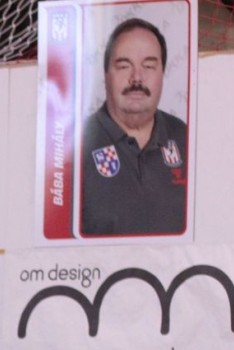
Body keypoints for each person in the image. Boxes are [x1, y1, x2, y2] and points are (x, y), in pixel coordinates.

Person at [79, 17, 188, 237]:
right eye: (124, 66)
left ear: (162, 74)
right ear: (105, 75)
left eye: (148, 66)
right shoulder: (73, 144)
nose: (137, 78)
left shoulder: (185, 138)